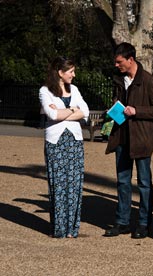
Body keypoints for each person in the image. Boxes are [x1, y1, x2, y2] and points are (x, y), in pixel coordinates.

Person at [103, 42, 153, 239]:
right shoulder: (119, 80)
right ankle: (122, 222)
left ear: (130, 59)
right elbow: (116, 102)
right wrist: (113, 111)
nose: (116, 65)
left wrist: (137, 111)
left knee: (144, 182)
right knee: (123, 182)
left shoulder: (150, 81)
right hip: (122, 137)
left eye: (119, 62)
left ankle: (144, 223)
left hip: (142, 138)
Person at [39, 56, 89, 238]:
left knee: (74, 184)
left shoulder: (74, 90)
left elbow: (86, 112)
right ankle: (59, 228)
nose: (73, 75)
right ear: (60, 73)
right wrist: (73, 110)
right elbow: (51, 114)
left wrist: (63, 113)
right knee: (58, 184)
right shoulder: (45, 91)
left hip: (75, 141)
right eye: (71, 72)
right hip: (56, 143)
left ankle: (71, 229)